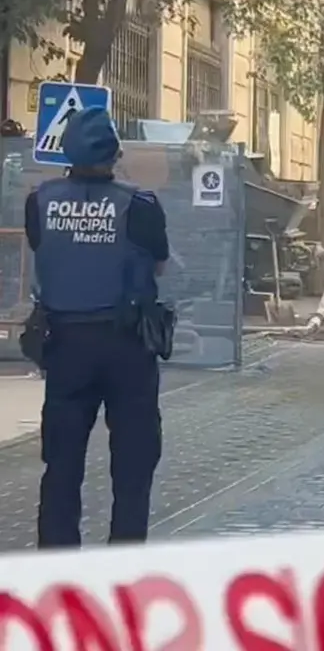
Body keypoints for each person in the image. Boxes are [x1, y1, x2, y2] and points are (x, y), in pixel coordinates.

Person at [24, 106, 168, 547]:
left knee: (62, 463)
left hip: (65, 344)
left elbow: (42, 251)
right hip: (127, 346)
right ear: (114, 152)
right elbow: (158, 265)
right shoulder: (140, 205)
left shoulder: (40, 201)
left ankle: (57, 562)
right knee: (133, 463)